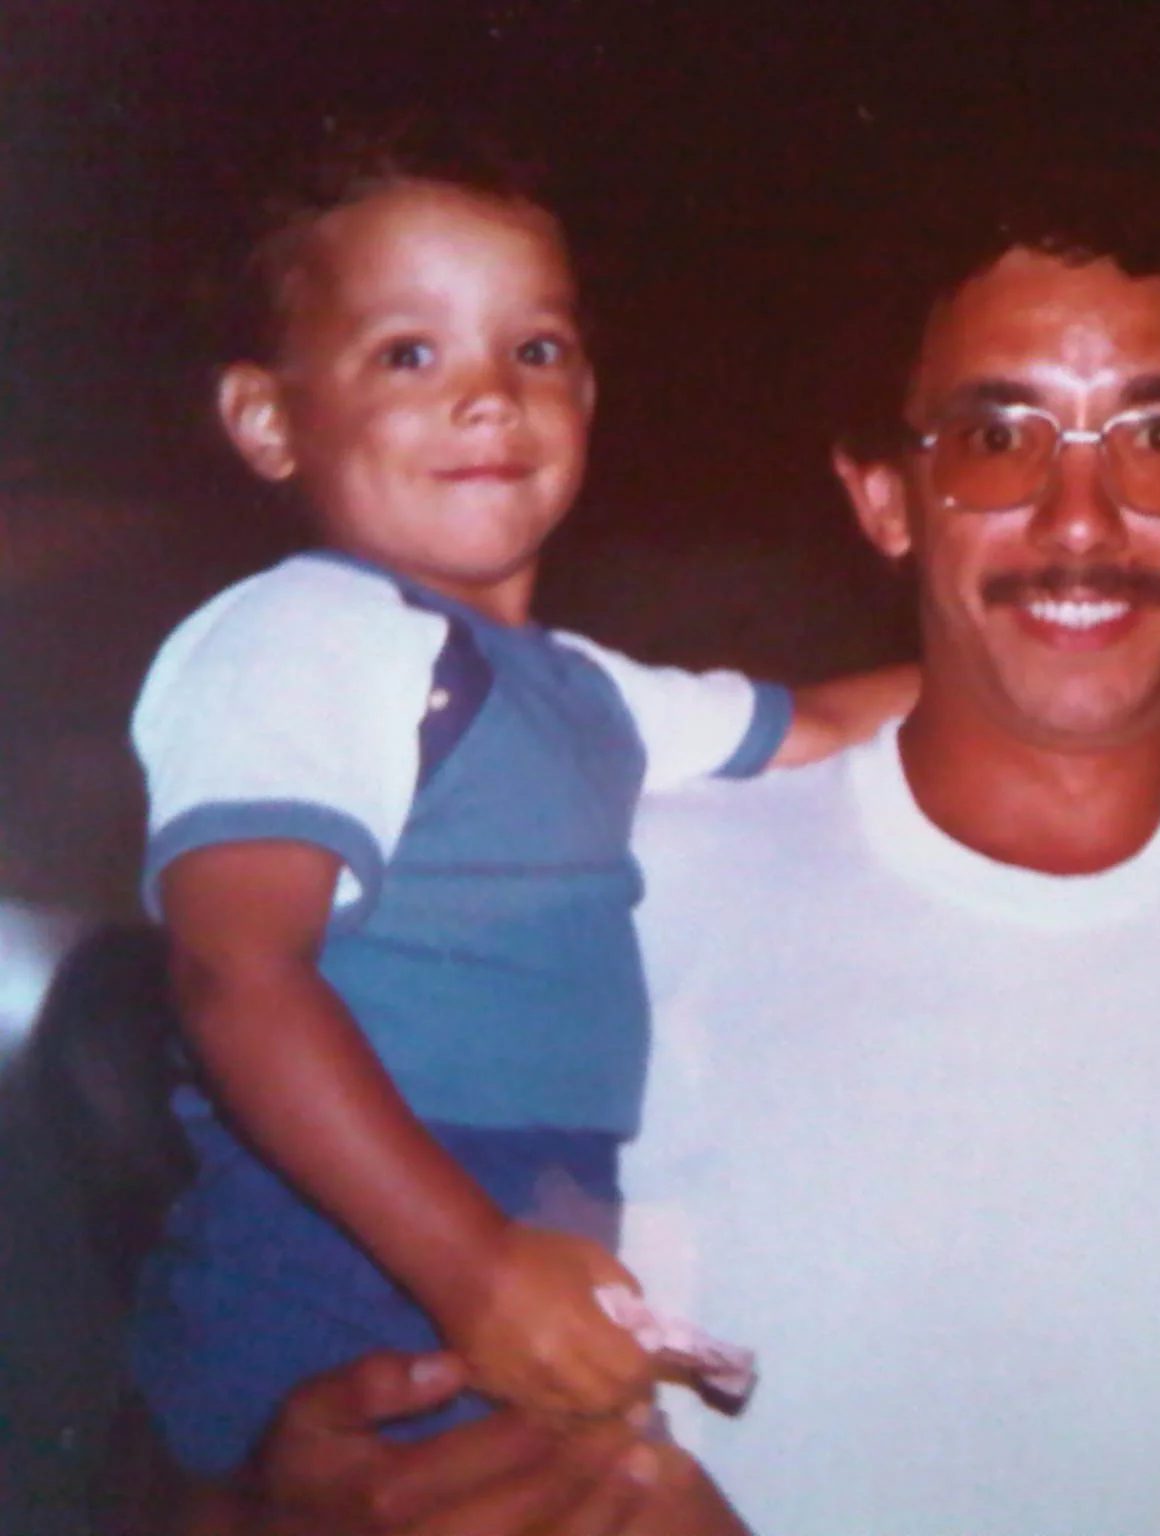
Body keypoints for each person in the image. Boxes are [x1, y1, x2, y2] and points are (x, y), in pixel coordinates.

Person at [205, 185, 1160, 1533]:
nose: (1081, 519)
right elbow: (226, 1343)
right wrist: (261, 1507)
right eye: (996, 438)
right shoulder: (611, 890)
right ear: (885, 498)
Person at [125, 121, 919, 1482]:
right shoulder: (304, 633)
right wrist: (473, 1265)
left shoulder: (584, 692)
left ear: (588, 396)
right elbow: (234, 970)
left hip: (522, 1232)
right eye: (408, 354)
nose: (489, 396)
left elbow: (828, 724)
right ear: (268, 420)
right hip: (348, 1250)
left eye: (534, 350)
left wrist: (1117, 699)